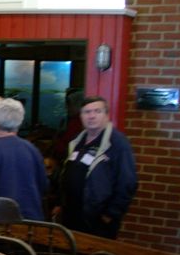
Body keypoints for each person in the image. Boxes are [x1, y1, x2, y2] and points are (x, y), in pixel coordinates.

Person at [54, 96, 138, 239]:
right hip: (72, 215)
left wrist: (111, 214)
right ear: (81, 116)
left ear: (106, 115)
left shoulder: (117, 144)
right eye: (87, 112)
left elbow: (128, 182)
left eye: (97, 111)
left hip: (97, 220)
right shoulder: (77, 140)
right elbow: (66, 173)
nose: (91, 116)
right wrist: (59, 203)